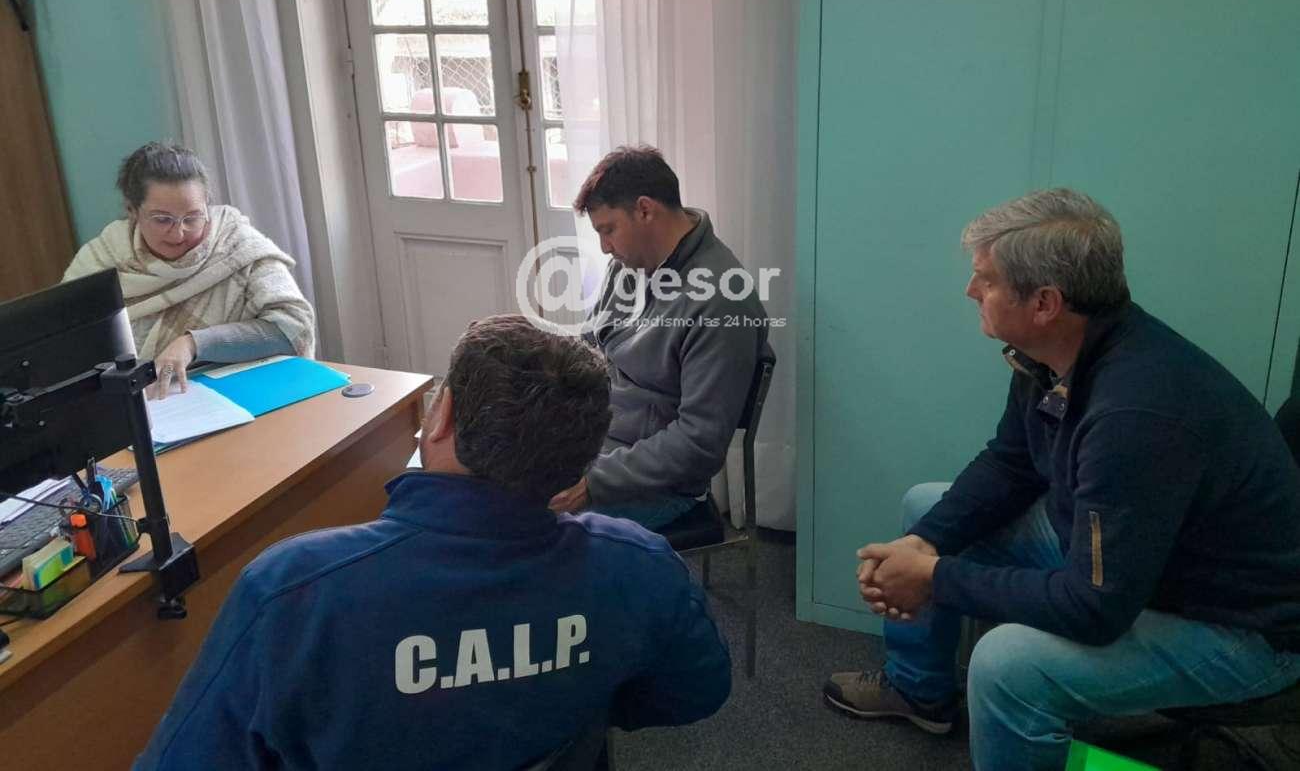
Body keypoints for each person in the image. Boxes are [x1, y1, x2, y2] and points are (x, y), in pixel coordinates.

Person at [822, 188, 1300, 770]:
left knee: (1006, 666)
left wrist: (934, 578)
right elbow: (1012, 462)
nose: (970, 290)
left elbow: (1094, 609)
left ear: (1045, 302)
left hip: (1242, 631)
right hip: (1136, 567)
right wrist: (925, 545)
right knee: (927, 508)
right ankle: (919, 690)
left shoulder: (1134, 414)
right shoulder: (1054, 355)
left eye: (986, 280)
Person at [135, 315, 731, 770]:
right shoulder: (637, 563)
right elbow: (697, 691)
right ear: (584, 454)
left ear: (440, 418)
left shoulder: (293, 590)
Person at [548, 146, 770, 530]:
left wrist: (591, 483)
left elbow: (699, 443)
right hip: (596, 444)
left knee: (528, 530)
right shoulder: (630, 264)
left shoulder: (721, 300)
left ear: (645, 210)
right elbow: (588, 349)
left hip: (656, 486)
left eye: (608, 229)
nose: (604, 247)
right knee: (491, 484)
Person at [63, 142, 314, 397]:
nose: (179, 233)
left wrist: (194, 343)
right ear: (133, 211)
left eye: (192, 217)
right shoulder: (101, 260)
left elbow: (295, 327)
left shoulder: (237, 244)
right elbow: (66, 347)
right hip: (140, 406)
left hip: (248, 395)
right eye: (162, 220)